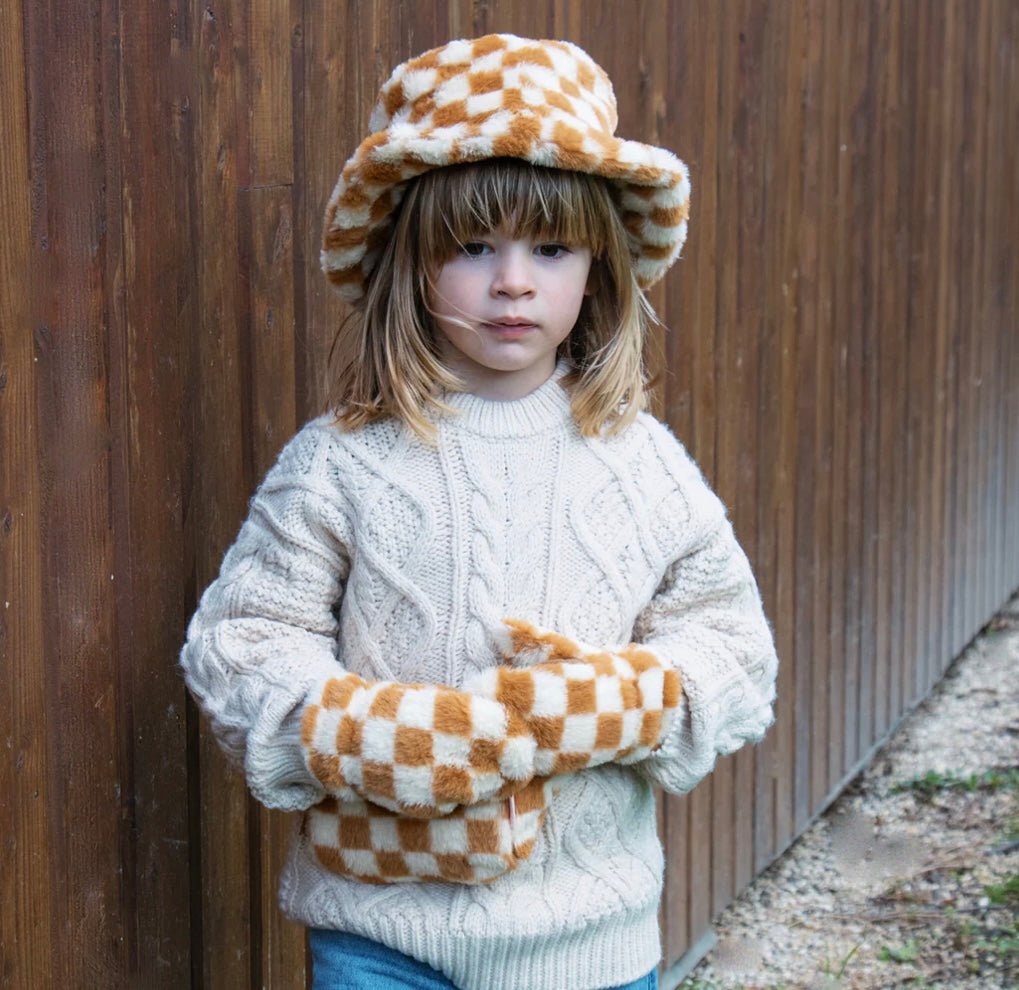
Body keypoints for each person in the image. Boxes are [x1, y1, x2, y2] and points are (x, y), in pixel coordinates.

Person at [180, 33, 779, 990]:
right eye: (471, 246)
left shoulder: (640, 465)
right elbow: (244, 639)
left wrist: (600, 706)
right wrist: (378, 734)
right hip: (380, 936)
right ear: (406, 262)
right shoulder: (341, 463)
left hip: (594, 941)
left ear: (598, 268)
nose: (513, 280)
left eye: (550, 247)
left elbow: (734, 645)